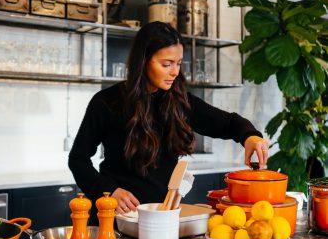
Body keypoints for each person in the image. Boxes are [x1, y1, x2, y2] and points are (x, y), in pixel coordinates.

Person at [69, 21, 269, 218]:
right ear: (144, 60)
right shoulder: (107, 102)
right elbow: (78, 159)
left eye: (178, 63)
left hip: (161, 219)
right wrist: (109, 191)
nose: (175, 71)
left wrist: (250, 136)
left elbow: (228, 123)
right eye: (167, 64)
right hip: (115, 218)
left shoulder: (179, 101)